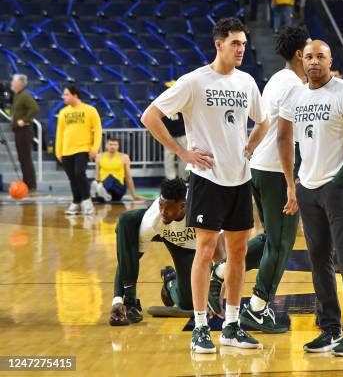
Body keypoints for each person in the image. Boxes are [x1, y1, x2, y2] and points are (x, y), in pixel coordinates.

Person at [140, 17, 270, 354]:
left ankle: (231, 324)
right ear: (219, 44)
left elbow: (264, 120)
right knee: (207, 251)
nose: (241, 49)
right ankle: (200, 326)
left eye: (243, 43)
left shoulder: (247, 82)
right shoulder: (194, 81)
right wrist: (183, 152)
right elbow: (150, 116)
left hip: (240, 179)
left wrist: (250, 146)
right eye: (235, 43)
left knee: (239, 254)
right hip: (207, 180)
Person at [279, 40, 343, 356]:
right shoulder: (296, 95)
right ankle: (330, 328)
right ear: (301, 60)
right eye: (309, 57)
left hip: (342, 189)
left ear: (330, 60)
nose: (314, 62)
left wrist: (340, 181)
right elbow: (296, 142)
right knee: (318, 260)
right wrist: (296, 179)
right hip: (309, 188)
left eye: (321, 56)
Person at [213, 26, 308, 333]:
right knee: (281, 244)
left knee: (271, 238)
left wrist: (251, 152)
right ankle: (257, 307)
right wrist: (291, 183)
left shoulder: (279, 79)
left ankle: (222, 272)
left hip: (259, 167)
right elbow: (284, 136)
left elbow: (266, 123)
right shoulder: (294, 85)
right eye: (309, 52)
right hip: (276, 171)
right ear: (298, 54)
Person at [109, 179, 267, 325]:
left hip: (200, 247)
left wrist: (215, 297)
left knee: (189, 301)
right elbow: (127, 260)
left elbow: (220, 258)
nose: (163, 211)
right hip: (173, 241)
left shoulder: (203, 208)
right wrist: (117, 299)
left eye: (168, 208)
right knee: (127, 221)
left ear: (183, 206)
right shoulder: (153, 220)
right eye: (161, 206)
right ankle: (169, 282)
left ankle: (170, 281)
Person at [55, 86, 102, 215]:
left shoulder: (90, 110)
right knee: (72, 177)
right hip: (66, 150)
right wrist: (58, 151)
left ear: (75, 95)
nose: (63, 97)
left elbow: (98, 130)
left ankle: (87, 201)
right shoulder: (63, 112)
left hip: (83, 149)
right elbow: (60, 133)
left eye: (66, 94)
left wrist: (94, 148)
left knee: (79, 173)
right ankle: (76, 202)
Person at [90, 137, 146, 203]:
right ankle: (101, 193)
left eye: (115, 145)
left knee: (110, 177)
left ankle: (99, 190)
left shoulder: (124, 157)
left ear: (118, 146)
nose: (112, 147)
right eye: (110, 144)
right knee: (103, 193)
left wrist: (134, 195)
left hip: (118, 186)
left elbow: (128, 177)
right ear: (106, 146)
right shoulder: (99, 156)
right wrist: (98, 182)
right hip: (104, 185)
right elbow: (97, 174)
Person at [10, 74, 39, 193]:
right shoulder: (18, 96)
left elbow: (34, 108)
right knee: (22, 158)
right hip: (19, 131)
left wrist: (25, 120)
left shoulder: (25, 96)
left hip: (24, 131)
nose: (11, 83)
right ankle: (27, 183)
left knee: (25, 158)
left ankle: (31, 185)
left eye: (13, 81)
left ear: (19, 84)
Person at [162, 112, 188, 180]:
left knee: (184, 157)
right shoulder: (163, 106)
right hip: (168, 135)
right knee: (168, 157)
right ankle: (170, 179)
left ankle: (183, 178)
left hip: (182, 133)